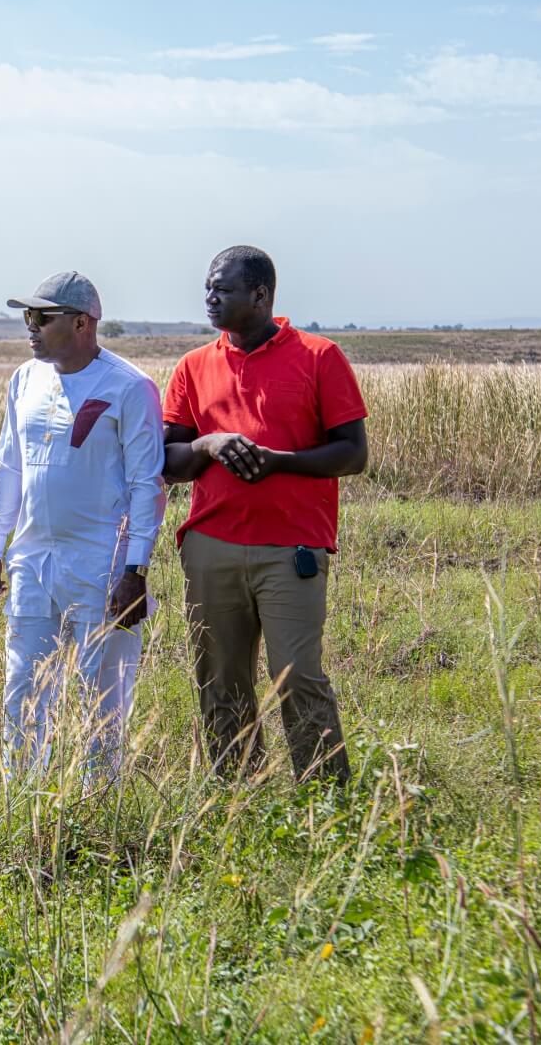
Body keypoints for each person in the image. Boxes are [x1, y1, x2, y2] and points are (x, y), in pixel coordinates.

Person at [162, 246, 368, 785]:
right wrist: (207, 444)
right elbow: (168, 462)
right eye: (208, 287)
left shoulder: (319, 356)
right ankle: (236, 797)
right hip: (211, 545)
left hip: (292, 547)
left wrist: (279, 463)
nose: (210, 298)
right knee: (220, 679)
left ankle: (328, 804)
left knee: (297, 677)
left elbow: (353, 453)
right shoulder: (193, 367)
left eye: (222, 289)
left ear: (260, 295)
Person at [0, 270, 165, 777]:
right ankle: (22, 803)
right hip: (34, 559)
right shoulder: (26, 379)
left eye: (42, 317)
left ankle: (98, 811)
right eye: (27, 317)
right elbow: (8, 465)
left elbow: (148, 484)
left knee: (102, 698)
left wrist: (136, 569)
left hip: (101, 562)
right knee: (22, 689)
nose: (31, 327)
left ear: (83, 323)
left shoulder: (129, 387)